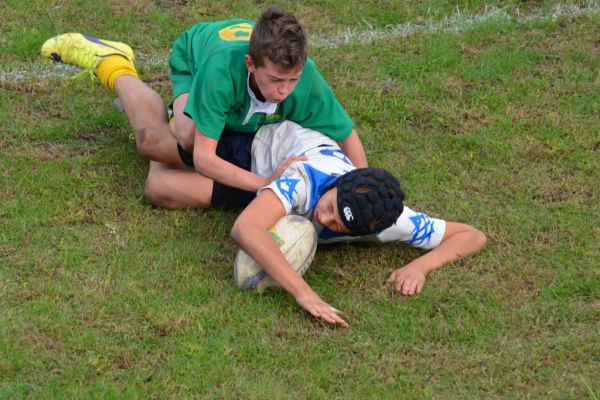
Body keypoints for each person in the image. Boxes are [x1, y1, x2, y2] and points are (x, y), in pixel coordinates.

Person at [40, 7, 367, 209]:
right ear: (251, 64)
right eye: (276, 80)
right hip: (194, 61)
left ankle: (172, 139)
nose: (285, 89)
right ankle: (114, 63)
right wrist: (267, 182)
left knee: (161, 181)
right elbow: (204, 159)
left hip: (235, 112)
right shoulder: (221, 72)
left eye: (292, 79)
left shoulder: (305, 79)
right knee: (173, 139)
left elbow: (346, 135)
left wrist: (358, 187)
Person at [231, 121, 487, 327]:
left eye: (340, 225)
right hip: (258, 145)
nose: (324, 218)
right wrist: (303, 292)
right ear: (340, 184)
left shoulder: (387, 221)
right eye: (331, 207)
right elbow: (245, 227)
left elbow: (471, 235)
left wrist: (419, 267)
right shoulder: (304, 180)